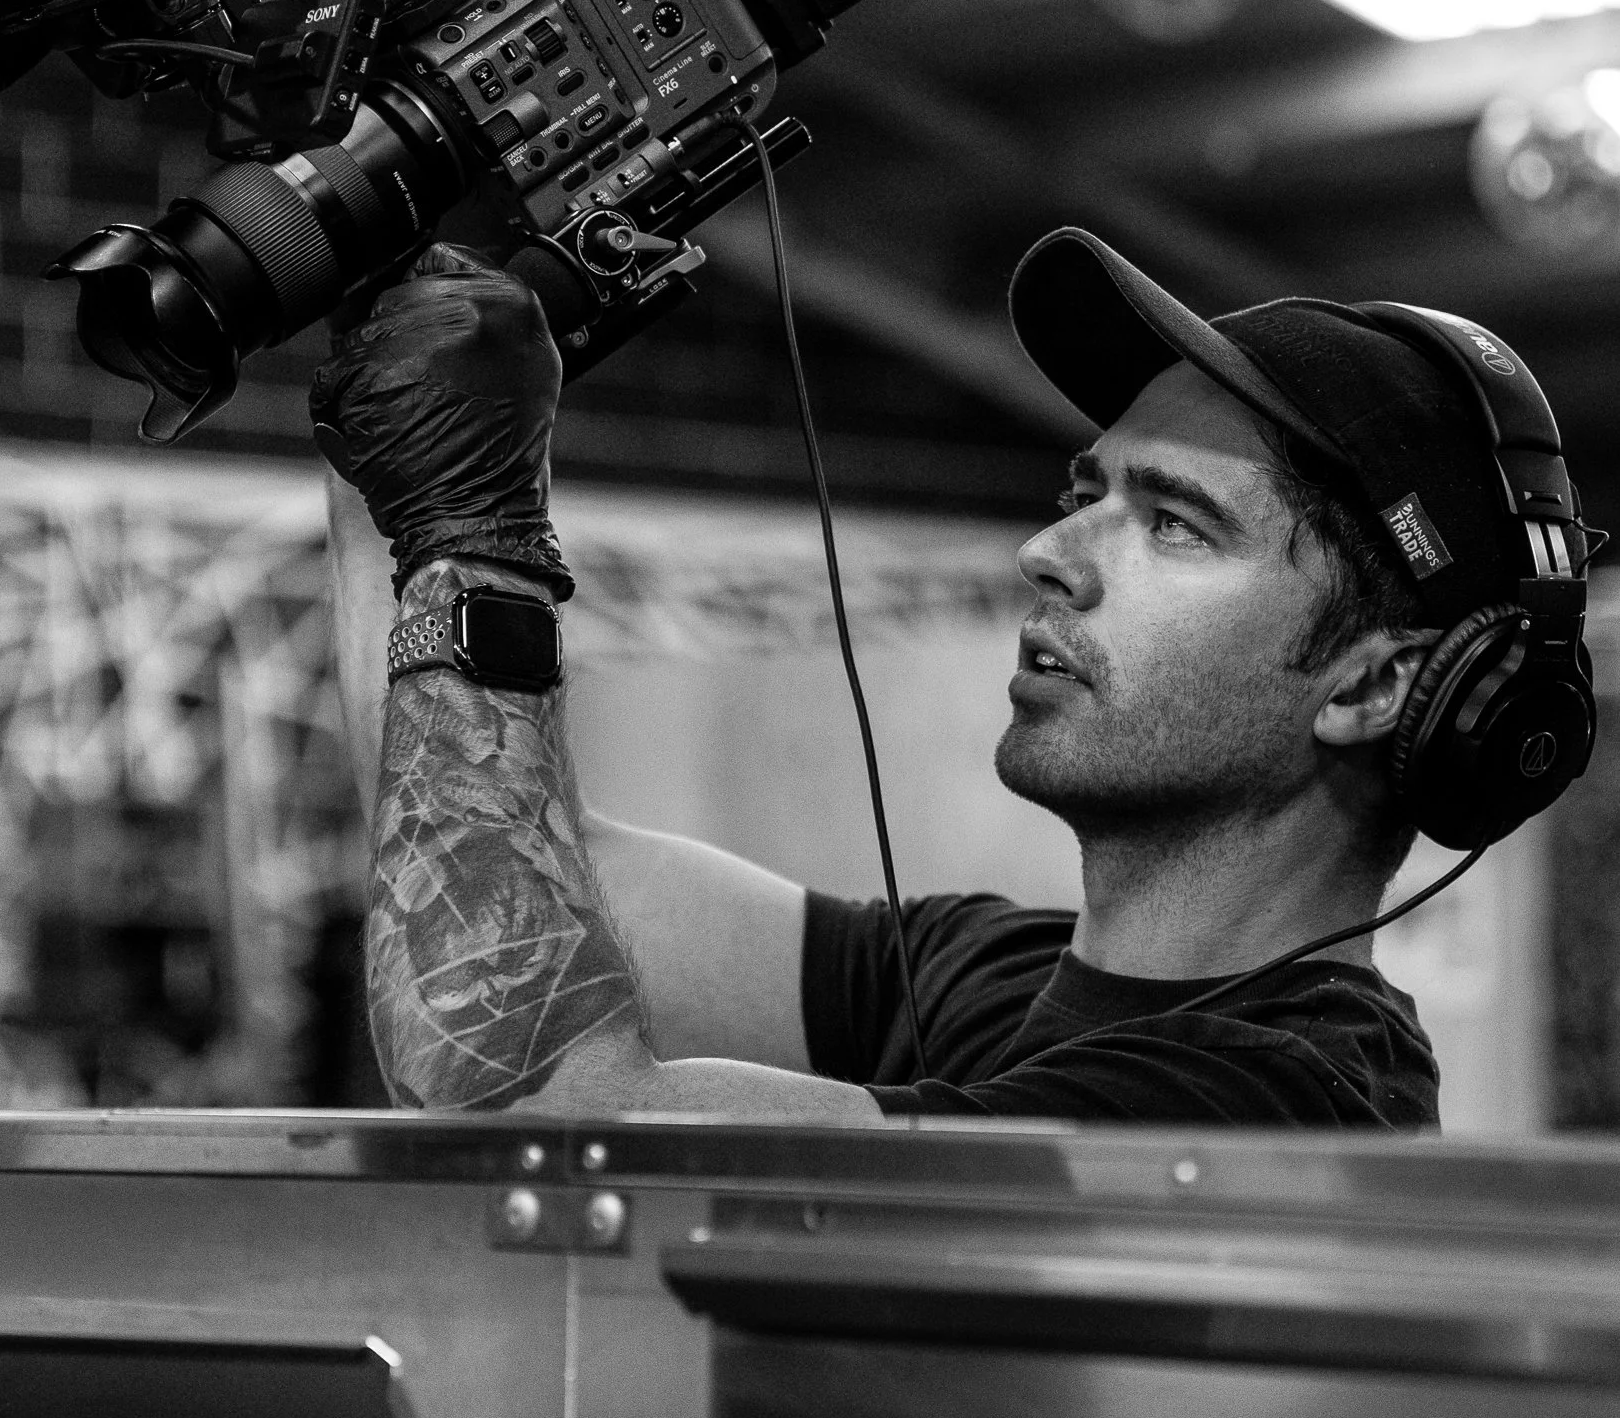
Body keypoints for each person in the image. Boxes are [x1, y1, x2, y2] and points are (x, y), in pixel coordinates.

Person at [312, 227, 1582, 1127]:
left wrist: (473, 532)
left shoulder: (1271, 1109)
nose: (1050, 552)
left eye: (1174, 522)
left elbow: (529, 1104)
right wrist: (393, 381)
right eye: (1085, 492)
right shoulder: (982, 975)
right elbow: (469, 860)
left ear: (1368, 686)